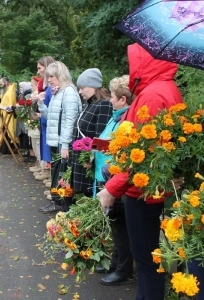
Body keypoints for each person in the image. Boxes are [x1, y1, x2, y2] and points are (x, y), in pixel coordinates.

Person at [97, 43, 184, 300]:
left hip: (142, 190)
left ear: (143, 62)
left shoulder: (154, 94)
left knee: (146, 258)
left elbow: (144, 154)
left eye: (133, 62)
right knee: (146, 257)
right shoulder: (159, 89)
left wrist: (111, 188)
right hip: (143, 185)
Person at [42, 68, 113, 214]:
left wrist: (90, 157)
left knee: (83, 200)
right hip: (79, 160)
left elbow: (101, 138)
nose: (80, 92)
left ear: (93, 86)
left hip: (88, 163)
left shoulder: (103, 105)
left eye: (82, 88)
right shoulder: (90, 104)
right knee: (74, 200)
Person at [93, 75, 134, 286]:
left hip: (119, 177)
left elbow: (121, 148)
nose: (110, 100)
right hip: (110, 175)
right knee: (116, 225)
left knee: (122, 227)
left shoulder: (126, 119)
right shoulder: (116, 116)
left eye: (113, 97)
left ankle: (123, 270)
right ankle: (116, 262)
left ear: (123, 100)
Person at [36, 61, 81, 214]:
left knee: (62, 173)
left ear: (60, 75)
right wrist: (41, 105)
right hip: (56, 140)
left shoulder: (68, 92)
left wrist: (65, 144)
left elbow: (70, 120)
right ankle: (57, 201)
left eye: (51, 76)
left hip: (63, 141)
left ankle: (61, 203)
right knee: (56, 171)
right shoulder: (57, 91)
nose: (48, 80)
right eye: (48, 76)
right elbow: (51, 118)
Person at [32, 56, 56, 182]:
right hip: (45, 122)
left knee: (51, 150)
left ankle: (52, 177)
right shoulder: (46, 86)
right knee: (45, 148)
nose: (38, 71)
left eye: (40, 68)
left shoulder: (52, 88)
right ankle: (49, 174)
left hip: (50, 123)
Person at [0, 76, 17, 155]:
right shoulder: (6, 90)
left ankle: (10, 149)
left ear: (5, 82)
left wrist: (9, 110)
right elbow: (4, 100)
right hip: (4, 114)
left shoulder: (11, 90)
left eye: (1, 83)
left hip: (9, 115)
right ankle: (4, 149)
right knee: (4, 131)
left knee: (9, 131)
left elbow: (11, 102)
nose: (0, 85)